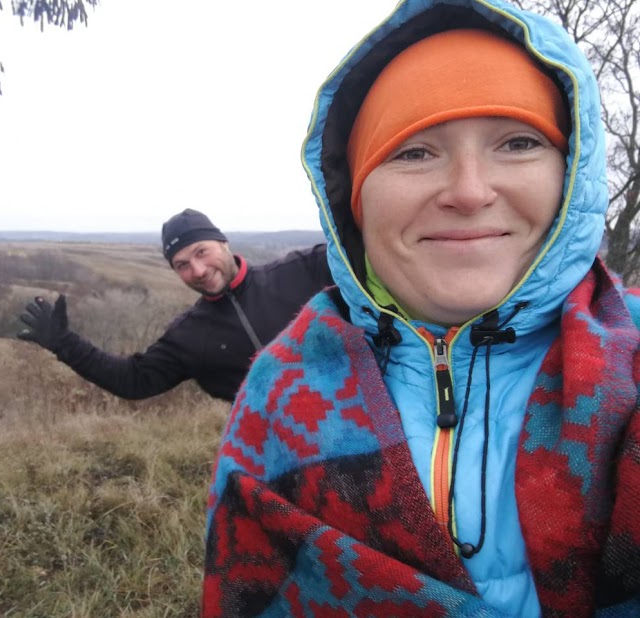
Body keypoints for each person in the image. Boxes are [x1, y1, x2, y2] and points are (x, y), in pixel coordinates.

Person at [203, 0, 640, 616]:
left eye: (518, 142)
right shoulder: (276, 393)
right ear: (355, 202)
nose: (469, 191)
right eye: (414, 152)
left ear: (571, 175)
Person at [17, 208, 333, 402]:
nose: (198, 270)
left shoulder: (304, 270)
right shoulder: (189, 335)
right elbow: (133, 380)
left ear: (223, 242)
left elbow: (357, 251)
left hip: (358, 425)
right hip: (282, 457)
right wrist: (65, 343)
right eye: (182, 265)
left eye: (201, 252)